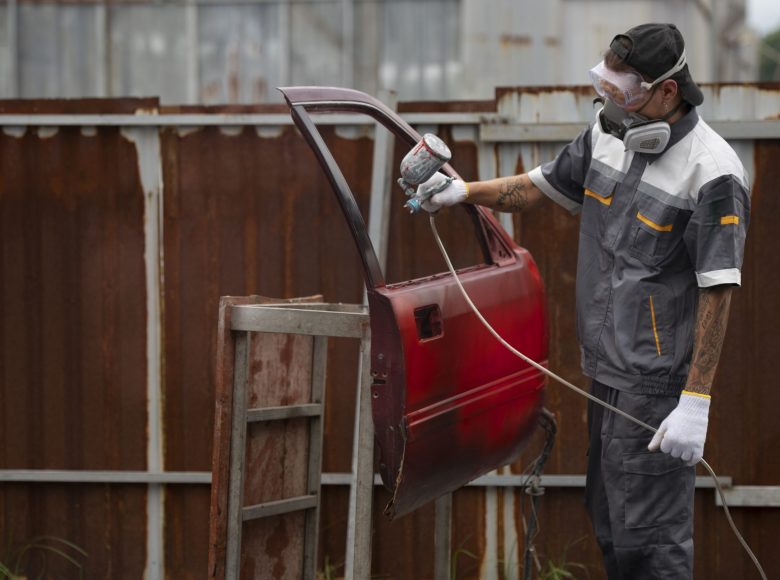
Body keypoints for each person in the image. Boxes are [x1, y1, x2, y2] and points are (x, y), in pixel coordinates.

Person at [413, 23, 750, 580]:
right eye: (607, 87)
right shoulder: (607, 135)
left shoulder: (712, 171)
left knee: (652, 543)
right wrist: (465, 192)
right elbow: (539, 185)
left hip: (657, 390)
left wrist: (696, 400)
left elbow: (719, 289)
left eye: (624, 91)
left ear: (668, 91)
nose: (611, 102)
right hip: (606, 374)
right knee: (611, 526)